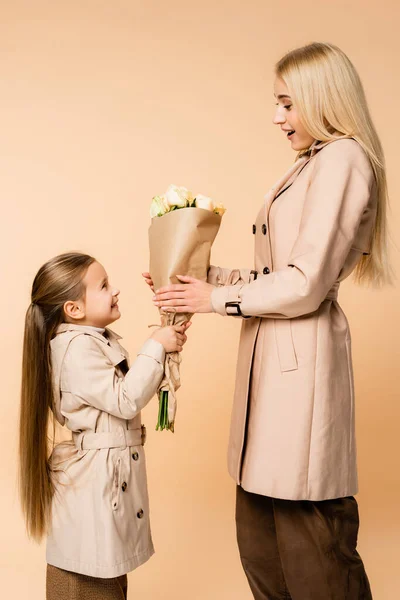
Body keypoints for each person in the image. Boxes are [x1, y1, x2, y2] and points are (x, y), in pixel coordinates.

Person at [145, 42, 391, 599]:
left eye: (287, 103)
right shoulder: (311, 163)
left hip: (300, 377)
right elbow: (277, 274)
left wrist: (215, 301)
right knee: (262, 547)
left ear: (320, 99)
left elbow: (304, 283)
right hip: (272, 378)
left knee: (312, 556)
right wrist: (197, 283)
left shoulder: (344, 159)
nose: (277, 117)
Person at [19, 252, 191, 600]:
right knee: (91, 581)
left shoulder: (92, 341)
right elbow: (125, 399)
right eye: (103, 286)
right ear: (74, 309)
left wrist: (166, 327)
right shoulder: (77, 348)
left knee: (107, 581)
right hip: (93, 491)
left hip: (101, 487)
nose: (115, 291)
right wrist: (156, 344)